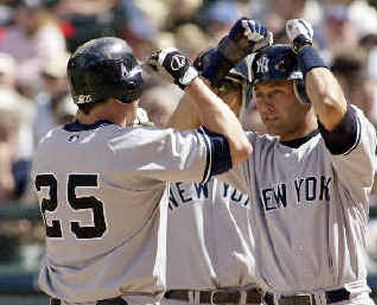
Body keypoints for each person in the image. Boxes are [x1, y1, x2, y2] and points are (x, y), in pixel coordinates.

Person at [31, 36, 255, 305]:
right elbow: (238, 146)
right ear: (128, 89)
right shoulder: (132, 146)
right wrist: (190, 80)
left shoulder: (49, 144)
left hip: (64, 298)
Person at [171, 18, 377, 305]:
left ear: (306, 92)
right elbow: (179, 136)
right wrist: (221, 59)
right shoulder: (254, 155)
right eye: (259, 94)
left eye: (277, 93)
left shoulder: (340, 148)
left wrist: (305, 47)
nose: (265, 105)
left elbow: (329, 103)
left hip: (341, 298)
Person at [162, 51, 266, 305]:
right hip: (180, 299)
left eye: (228, 87)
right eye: (211, 86)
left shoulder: (264, 157)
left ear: (245, 96)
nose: (216, 97)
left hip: (250, 298)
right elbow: (171, 138)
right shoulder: (167, 152)